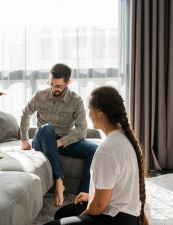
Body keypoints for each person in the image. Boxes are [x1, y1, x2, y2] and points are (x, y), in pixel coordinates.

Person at [44, 86, 149, 225]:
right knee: (62, 214)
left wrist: (83, 216)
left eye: (89, 108)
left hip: (115, 220)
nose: (89, 113)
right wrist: (91, 196)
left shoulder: (107, 149)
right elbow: (116, 189)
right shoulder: (125, 138)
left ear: (99, 112)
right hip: (129, 217)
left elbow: (99, 206)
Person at [20, 63, 98, 207]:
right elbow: (25, 115)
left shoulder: (76, 101)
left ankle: (82, 197)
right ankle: (59, 181)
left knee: (95, 150)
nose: (53, 89)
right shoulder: (39, 96)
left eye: (58, 86)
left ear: (67, 83)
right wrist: (24, 139)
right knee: (47, 128)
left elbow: (81, 131)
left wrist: (59, 143)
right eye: (51, 84)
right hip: (42, 140)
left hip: (63, 141)